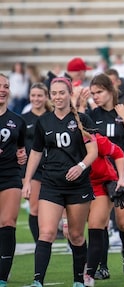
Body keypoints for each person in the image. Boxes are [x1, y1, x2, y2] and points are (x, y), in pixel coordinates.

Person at [22, 77, 98, 287]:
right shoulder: (43, 121)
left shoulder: (82, 119)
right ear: (50, 96)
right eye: (53, 93)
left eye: (61, 93)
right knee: (46, 232)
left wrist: (80, 166)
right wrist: (27, 180)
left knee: (75, 235)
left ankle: (78, 280)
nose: (57, 97)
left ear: (69, 93)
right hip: (51, 184)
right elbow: (36, 153)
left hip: (78, 186)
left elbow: (93, 151)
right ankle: (38, 281)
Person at [85, 73, 124, 278]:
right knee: (100, 223)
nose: (95, 97)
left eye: (99, 92)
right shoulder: (92, 115)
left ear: (110, 91)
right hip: (101, 175)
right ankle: (102, 267)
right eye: (93, 93)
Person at [83, 132, 124, 287]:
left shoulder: (95, 139)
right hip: (76, 186)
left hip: (101, 184)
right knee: (74, 233)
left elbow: (118, 152)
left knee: (97, 225)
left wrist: (121, 179)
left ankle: (90, 274)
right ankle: (85, 271)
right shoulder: (57, 138)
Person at [0, 73, 27, 287]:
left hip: (10, 176)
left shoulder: (17, 120)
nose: (2, 89)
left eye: (6, 86)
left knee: (8, 222)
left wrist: (23, 155)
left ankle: (2, 276)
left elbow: (21, 149)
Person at [21, 83, 53, 242]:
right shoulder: (23, 119)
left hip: (54, 168)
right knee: (34, 208)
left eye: (40, 95)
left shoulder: (52, 116)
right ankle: (39, 244)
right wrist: (24, 176)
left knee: (60, 209)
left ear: (46, 96)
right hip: (34, 171)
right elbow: (19, 148)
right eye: (33, 95)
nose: (36, 99)